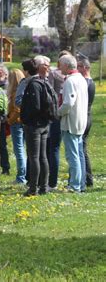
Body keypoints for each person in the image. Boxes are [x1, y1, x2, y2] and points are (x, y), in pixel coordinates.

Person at [20, 55, 53, 196]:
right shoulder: (43, 81)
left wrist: (26, 119)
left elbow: (35, 106)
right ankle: (44, 186)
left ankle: (33, 188)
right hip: (45, 124)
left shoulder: (33, 84)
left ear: (27, 71)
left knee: (34, 157)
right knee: (42, 156)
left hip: (35, 125)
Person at [57, 54, 88, 193]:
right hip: (80, 120)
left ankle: (75, 186)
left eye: (61, 65)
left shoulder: (70, 81)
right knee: (79, 153)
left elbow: (68, 103)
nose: (59, 67)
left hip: (71, 122)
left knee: (73, 155)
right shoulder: (81, 78)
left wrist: (57, 112)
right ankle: (80, 184)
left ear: (67, 65)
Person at [46, 51, 69, 189]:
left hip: (55, 114)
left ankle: (51, 181)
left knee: (52, 148)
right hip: (66, 115)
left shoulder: (54, 75)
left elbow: (50, 93)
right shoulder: (71, 77)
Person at [77, 58, 95, 187]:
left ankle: (86, 178)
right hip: (87, 117)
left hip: (84, 117)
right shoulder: (89, 82)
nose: (77, 69)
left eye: (78, 66)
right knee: (82, 148)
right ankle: (87, 178)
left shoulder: (87, 83)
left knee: (81, 149)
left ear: (84, 67)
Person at [7, 68, 27, 185]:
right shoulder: (22, 90)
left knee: (18, 149)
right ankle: (24, 174)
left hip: (17, 123)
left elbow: (17, 110)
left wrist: (9, 120)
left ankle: (21, 176)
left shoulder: (15, 93)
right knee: (22, 149)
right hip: (23, 123)